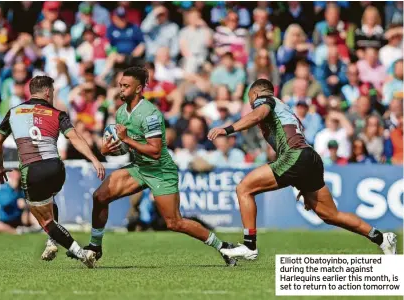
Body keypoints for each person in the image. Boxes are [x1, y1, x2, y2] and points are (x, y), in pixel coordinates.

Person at [208, 78, 397, 259]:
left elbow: (259, 115)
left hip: (296, 156)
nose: (251, 104)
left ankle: (249, 245)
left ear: (256, 93)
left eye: (250, 99)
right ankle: (382, 238)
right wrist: (300, 182)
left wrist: (227, 130)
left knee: (244, 188)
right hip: (309, 158)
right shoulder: (286, 111)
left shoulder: (265, 100)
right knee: (331, 215)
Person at [68, 67, 237, 266]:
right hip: (139, 167)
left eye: (125, 86)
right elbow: (124, 147)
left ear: (138, 89)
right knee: (100, 196)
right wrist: (108, 149)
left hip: (160, 170)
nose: (120, 89)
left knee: (174, 222)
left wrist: (126, 140)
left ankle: (224, 247)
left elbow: (155, 151)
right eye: (120, 85)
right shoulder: (122, 112)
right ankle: (95, 248)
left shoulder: (150, 114)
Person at [0, 75, 106, 268]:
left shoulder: (14, 112)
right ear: (46, 92)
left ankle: (81, 253)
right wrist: (94, 159)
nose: (52, 95)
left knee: (46, 221)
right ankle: (52, 242)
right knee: (49, 201)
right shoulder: (57, 113)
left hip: (32, 170)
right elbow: (75, 138)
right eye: (52, 91)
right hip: (56, 168)